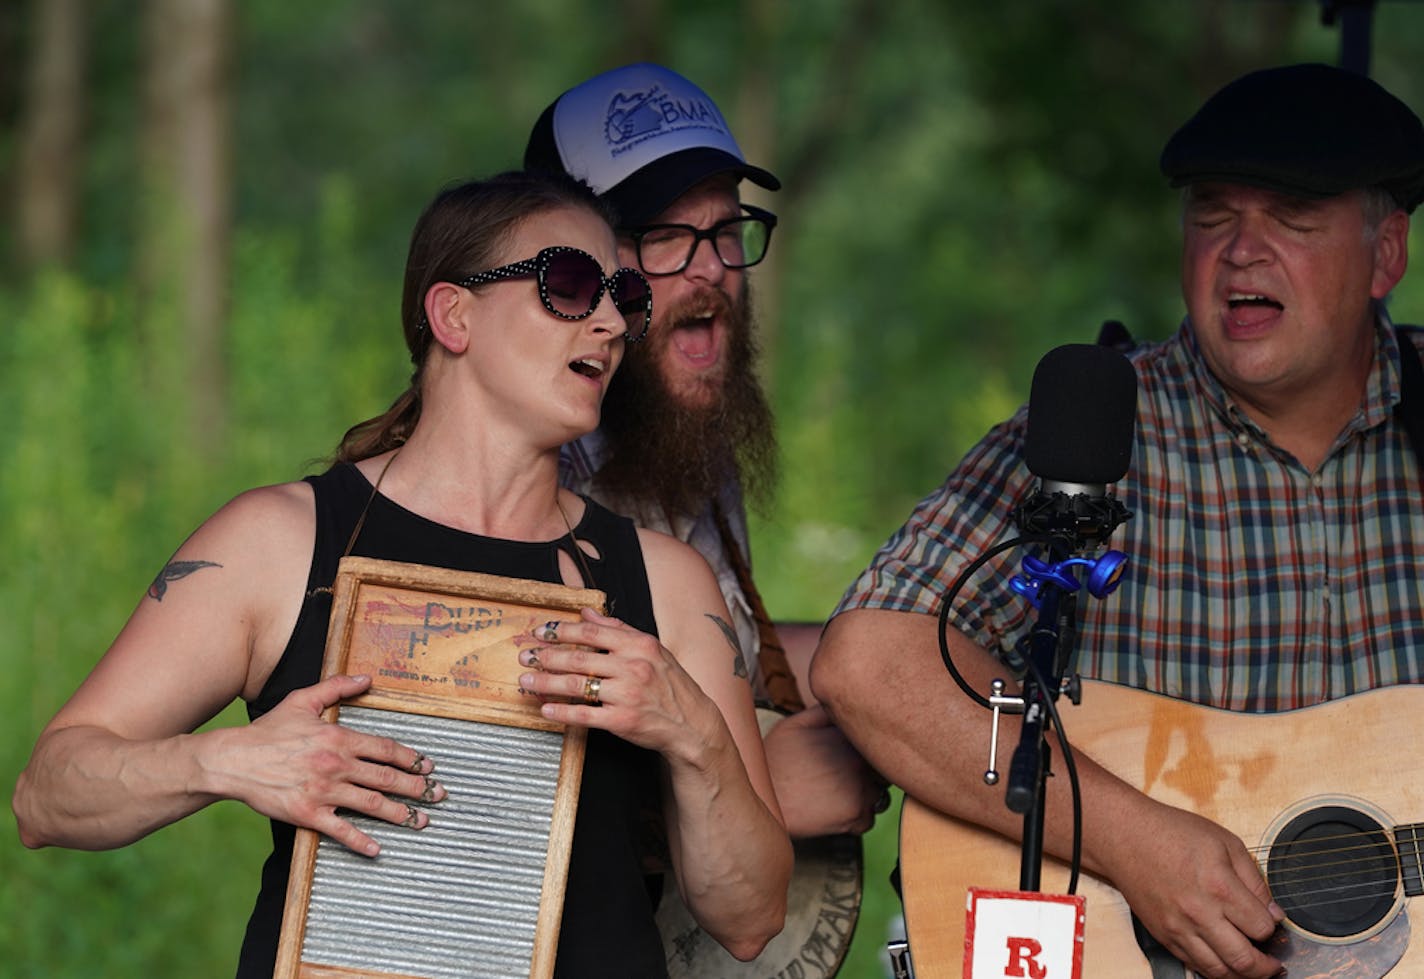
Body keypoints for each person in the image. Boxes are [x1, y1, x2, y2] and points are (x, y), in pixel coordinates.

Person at [12, 170, 791, 977]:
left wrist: (692, 729)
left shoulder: (664, 582)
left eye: (622, 296)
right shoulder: (279, 543)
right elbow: (47, 794)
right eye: (568, 284)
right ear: (453, 314)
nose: (608, 320)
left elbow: (752, 914)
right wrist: (225, 761)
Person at [811, 62, 1424, 979]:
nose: (1242, 251)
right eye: (1213, 214)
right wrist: (1129, 842)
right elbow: (871, 661)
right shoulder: (1099, 424)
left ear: (1387, 254)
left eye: (1292, 218)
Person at [523, 61, 886, 840]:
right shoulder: (514, 462)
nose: (713, 267)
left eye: (725, 232)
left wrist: (894, 664)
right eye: (664, 237)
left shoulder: (678, 432)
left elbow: (710, 645)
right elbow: (483, 772)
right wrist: (752, 794)